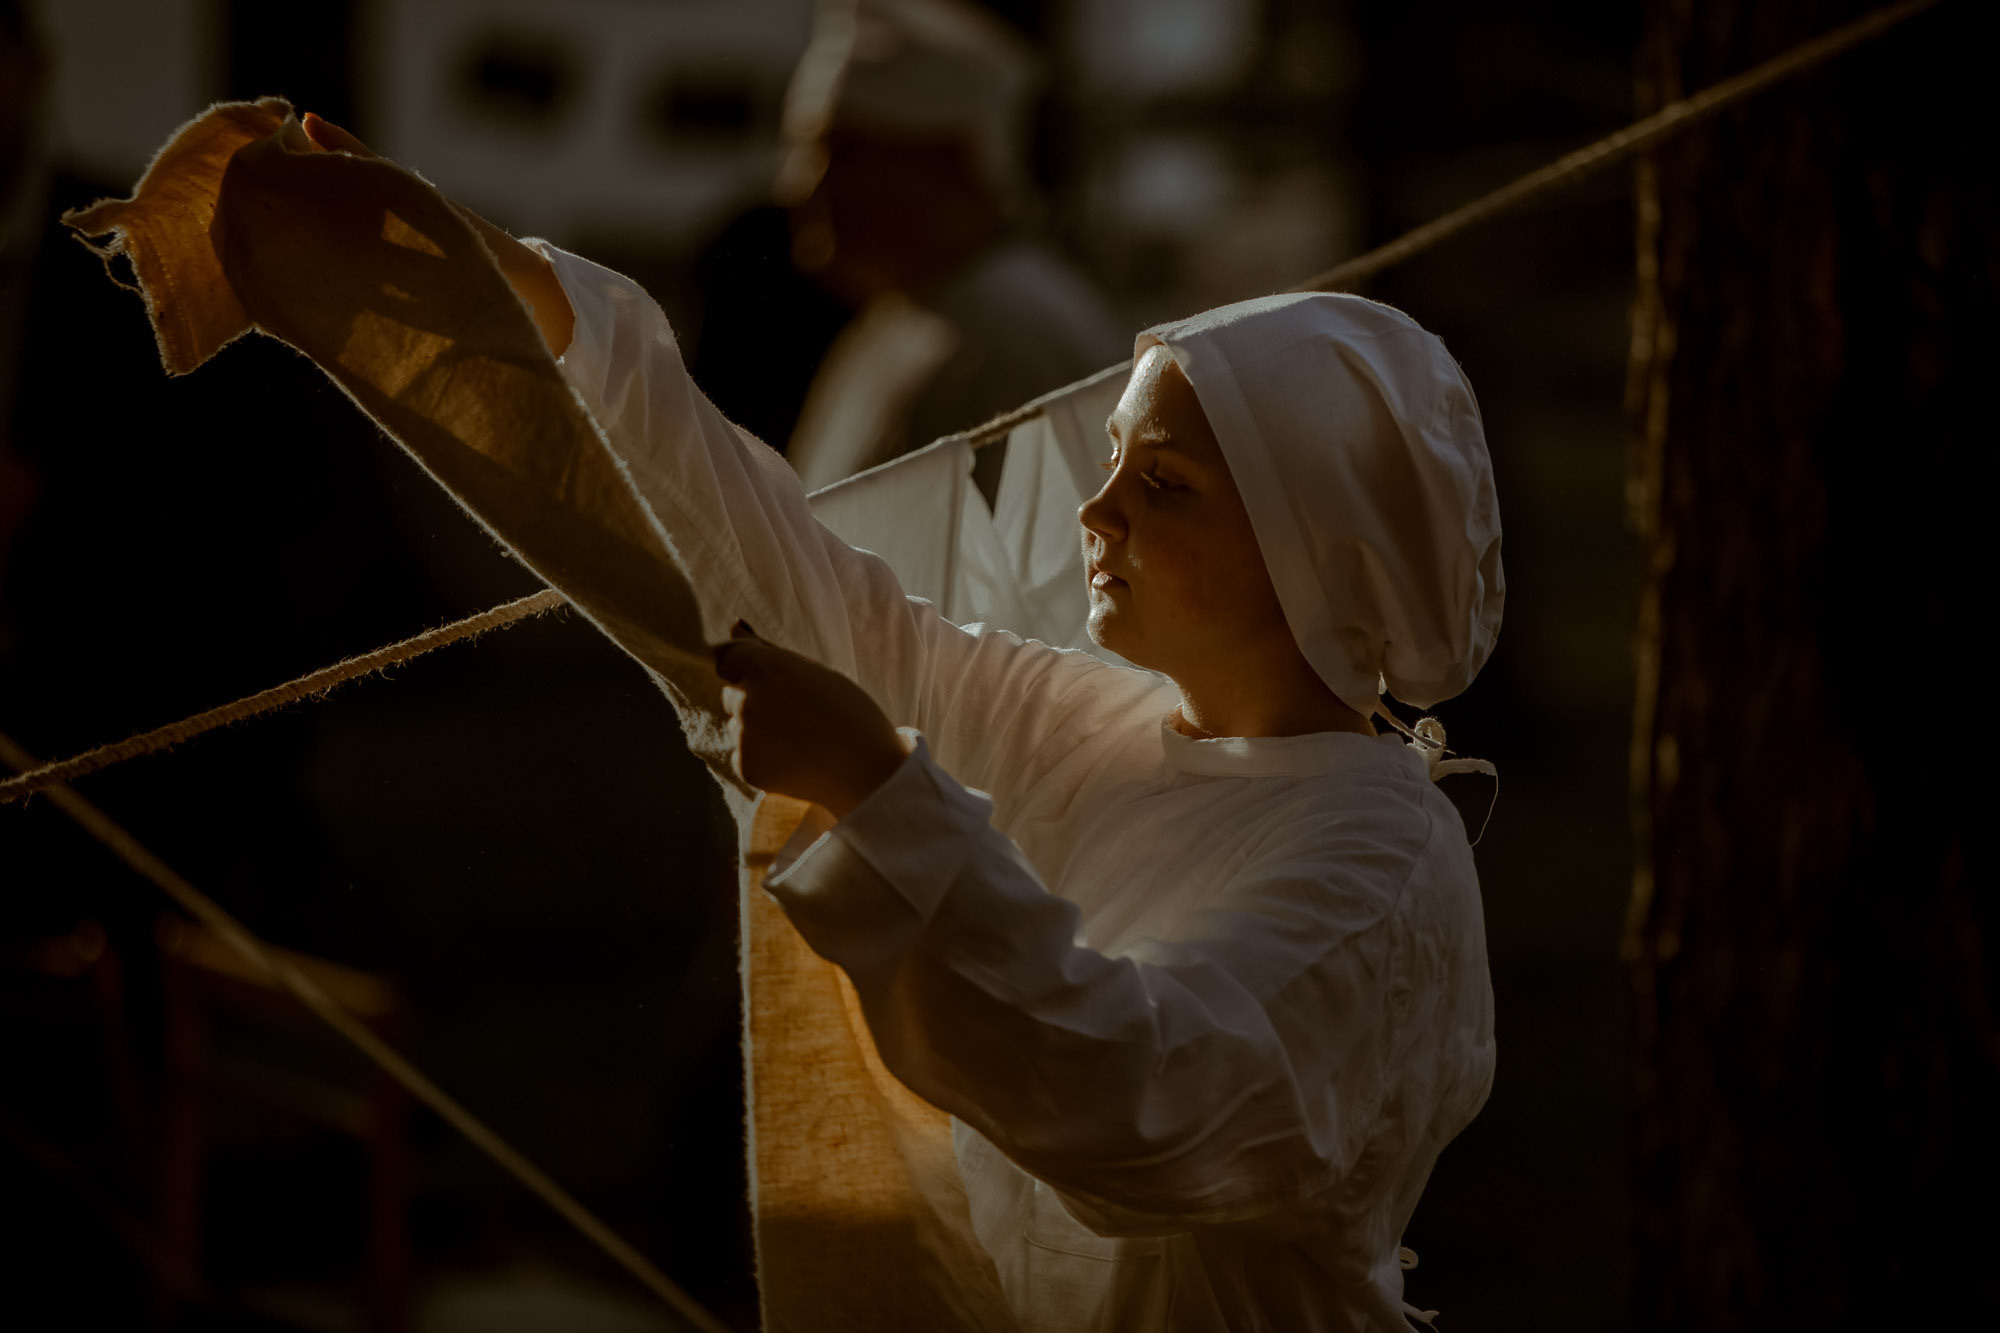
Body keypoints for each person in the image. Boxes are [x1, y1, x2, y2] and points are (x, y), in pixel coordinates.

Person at [303, 108, 1501, 1332]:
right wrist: (521, 297)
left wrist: (881, 787)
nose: (1094, 511)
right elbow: (803, 596)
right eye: (1109, 459)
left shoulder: (1375, 868)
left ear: (1315, 552)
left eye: (1163, 484)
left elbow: (1137, 1100)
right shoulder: (1101, 728)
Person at [772, 0, 1127, 495]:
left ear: (950, 161)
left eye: (844, 155)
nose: (801, 186)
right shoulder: (914, 317)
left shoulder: (1011, 337)